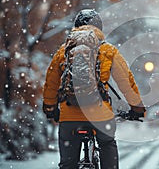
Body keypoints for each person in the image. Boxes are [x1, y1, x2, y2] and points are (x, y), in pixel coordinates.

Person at [42, 9, 146, 169]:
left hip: (70, 116)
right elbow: (126, 82)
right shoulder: (108, 50)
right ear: (99, 27)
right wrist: (136, 108)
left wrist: (50, 108)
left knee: (68, 164)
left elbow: (51, 83)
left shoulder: (64, 51)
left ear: (76, 26)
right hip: (100, 116)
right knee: (107, 144)